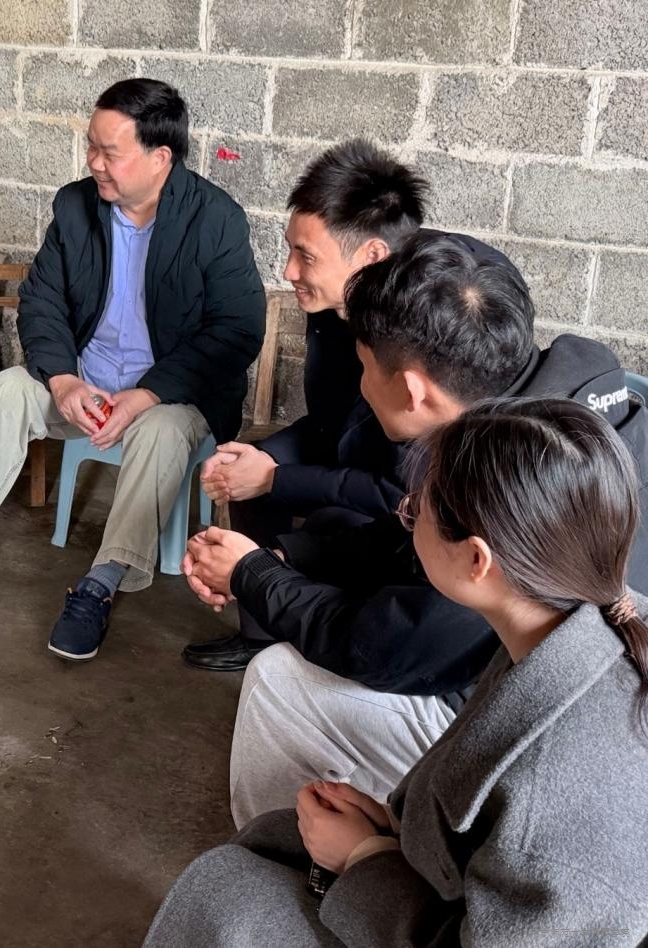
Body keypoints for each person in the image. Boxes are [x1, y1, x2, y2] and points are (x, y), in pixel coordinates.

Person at [184, 233, 648, 828]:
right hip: (556, 682)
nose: (360, 385)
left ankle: (284, 853)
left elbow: (388, 648)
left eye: (364, 367)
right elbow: (408, 534)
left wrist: (255, 576)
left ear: (411, 390)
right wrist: (281, 559)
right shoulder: (549, 418)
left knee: (276, 679)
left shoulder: (510, 497)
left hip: (536, 750)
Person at [145, 398, 648, 946]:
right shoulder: (574, 621)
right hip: (449, 887)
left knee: (225, 895)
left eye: (414, 512)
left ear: (476, 560)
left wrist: (366, 858)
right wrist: (396, 833)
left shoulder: (560, 797)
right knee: (270, 843)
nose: (405, 520)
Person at [0, 78, 266, 660]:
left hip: (170, 398)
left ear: (160, 157)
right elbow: (41, 301)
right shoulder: (75, 206)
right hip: (87, 386)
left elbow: (237, 330)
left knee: (161, 430)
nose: (94, 163)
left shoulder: (215, 219)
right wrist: (63, 379)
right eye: (91, 148)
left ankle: (102, 581)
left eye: (109, 152)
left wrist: (147, 394)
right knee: (9, 387)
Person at [188, 138, 523, 672]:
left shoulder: (424, 339)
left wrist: (277, 482)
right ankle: (260, 632)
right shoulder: (336, 307)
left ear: (371, 257)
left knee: (321, 515)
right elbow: (330, 422)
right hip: (362, 455)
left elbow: (398, 490)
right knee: (249, 466)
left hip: (396, 489)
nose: (288, 271)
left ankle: (300, 639)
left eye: (306, 256)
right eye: (290, 250)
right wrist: (266, 465)